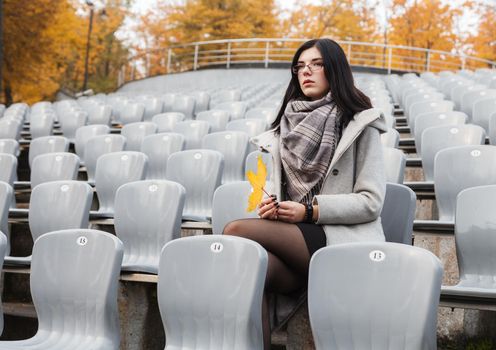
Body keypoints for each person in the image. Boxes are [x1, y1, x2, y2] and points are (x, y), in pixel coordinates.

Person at [223, 38, 387, 349]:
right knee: (249, 269)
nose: (305, 72)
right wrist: (271, 204)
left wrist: (309, 211)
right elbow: (281, 186)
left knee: (235, 230)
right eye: (300, 66)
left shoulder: (361, 125)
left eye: (316, 64)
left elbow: (371, 202)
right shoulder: (286, 126)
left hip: (338, 239)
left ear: (334, 69)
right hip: (297, 239)